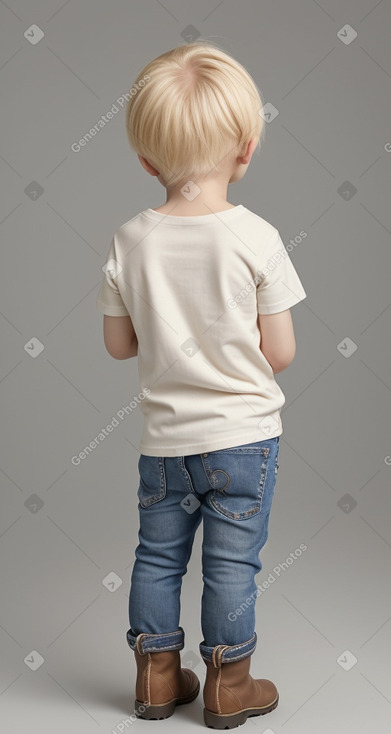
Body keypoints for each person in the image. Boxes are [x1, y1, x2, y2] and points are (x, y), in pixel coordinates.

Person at [96, 40, 307, 730]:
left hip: (164, 444)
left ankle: (156, 678)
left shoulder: (129, 239)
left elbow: (119, 346)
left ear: (146, 161)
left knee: (156, 557)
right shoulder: (258, 237)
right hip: (244, 441)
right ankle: (228, 684)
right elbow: (280, 351)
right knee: (231, 566)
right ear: (245, 150)